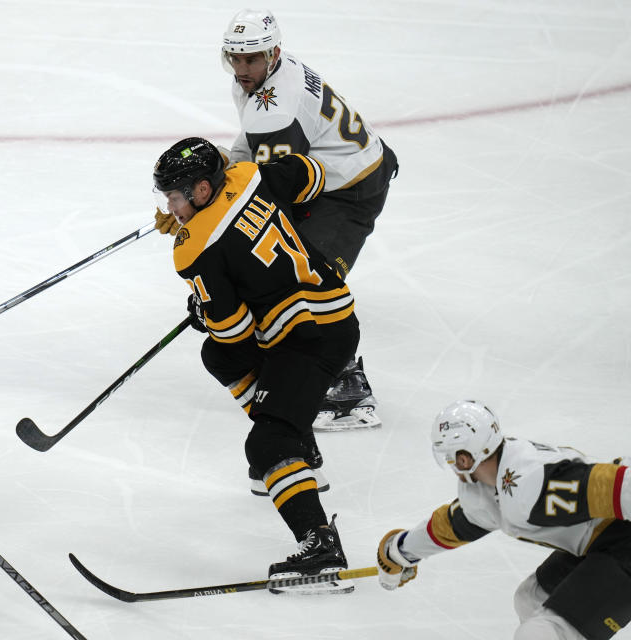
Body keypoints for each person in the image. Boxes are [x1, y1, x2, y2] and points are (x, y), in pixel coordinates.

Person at [155, 8, 399, 440]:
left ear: (274, 52)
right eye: (235, 57)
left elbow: (271, 194)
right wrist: (199, 189)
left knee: (304, 269)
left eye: (251, 59)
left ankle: (346, 389)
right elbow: (249, 149)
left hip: (350, 188)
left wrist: (201, 214)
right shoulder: (259, 81)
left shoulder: (276, 107)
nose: (242, 68)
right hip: (331, 173)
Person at [155, 136, 360, 593]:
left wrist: (206, 308)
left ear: (202, 191)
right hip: (330, 312)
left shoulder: (193, 250)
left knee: (265, 446)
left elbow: (234, 330)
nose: (169, 207)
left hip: (308, 337)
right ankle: (298, 445)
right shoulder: (247, 175)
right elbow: (311, 176)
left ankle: (320, 543)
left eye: (174, 196)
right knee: (216, 356)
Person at [376, 400, 631, 639]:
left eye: (450, 456)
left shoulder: (529, 480)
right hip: (599, 544)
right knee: (531, 598)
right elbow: (455, 525)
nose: (450, 464)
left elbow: (619, 486)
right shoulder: (492, 485)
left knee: (539, 633)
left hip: (623, 545)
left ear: (464, 458)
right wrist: (400, 551)